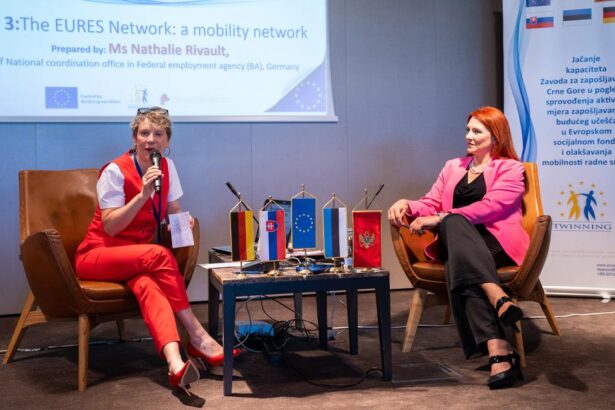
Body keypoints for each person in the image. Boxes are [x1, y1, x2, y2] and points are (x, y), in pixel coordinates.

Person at [75, 107, 239, 395]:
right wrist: (143, 195)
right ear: (134, 138)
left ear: (167, 141)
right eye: (144, 133)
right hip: (98, 254)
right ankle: (198, 335)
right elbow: (111, 227)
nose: (151, 139)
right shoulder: (114, 171)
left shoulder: (167, 167)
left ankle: (175, 364)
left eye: (158, 134)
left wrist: (183, 221)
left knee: (149, 287)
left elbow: (172, 209)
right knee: (158, 254)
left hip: (135, 258)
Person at [388, 106, 528, 389]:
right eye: (467, 130)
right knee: (454, 233)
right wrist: (407, 204)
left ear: (496, 136)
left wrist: (442, 217)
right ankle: (497, 304)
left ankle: (497, 349)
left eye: (477, 131)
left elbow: (491, 207)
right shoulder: (453, 167)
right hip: (460, 243)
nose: (469, 136)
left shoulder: (512, 169)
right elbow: (431, 202)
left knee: (455, 248)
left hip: (496, 241)